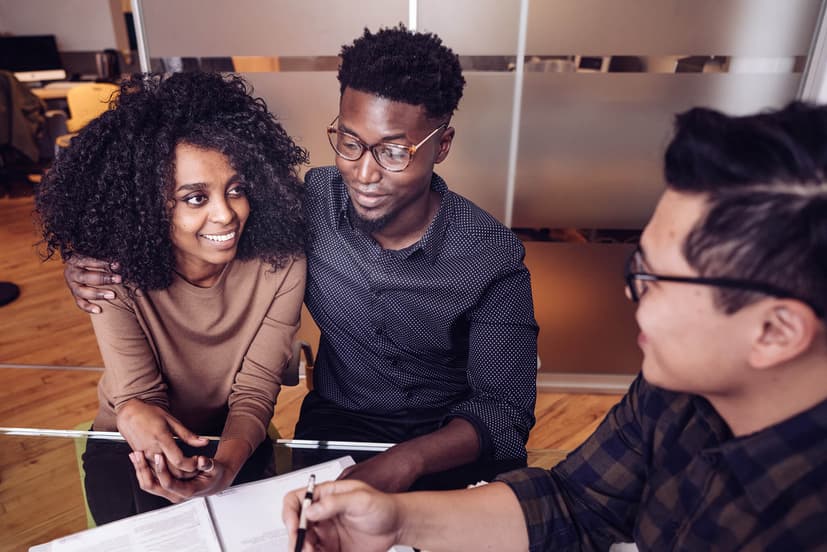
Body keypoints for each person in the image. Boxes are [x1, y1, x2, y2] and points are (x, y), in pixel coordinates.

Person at [283, 101, 827, 551]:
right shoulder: (673, 392)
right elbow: (576, 504)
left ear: (775, 332)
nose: (628, 292)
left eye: (657, 280)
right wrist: (396, 521)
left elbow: (504, 412)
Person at [63, 26, 540, 493]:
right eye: (350, 143)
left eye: (394, 151)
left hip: (446, 437)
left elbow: (503, 413)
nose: (364, 173)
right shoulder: (309, 202)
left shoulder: (489, 256)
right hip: (337, 423)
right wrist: (84, 259)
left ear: (442, 144)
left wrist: (407, 462)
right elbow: (179, 213)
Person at [36, 71, 307, 523]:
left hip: (231, 434)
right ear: (145, 203)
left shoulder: (280, 262)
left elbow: (256, 389)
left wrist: (226, 465)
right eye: (194, 198)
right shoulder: (110, 272)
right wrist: (134, 415)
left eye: (236, 189)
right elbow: (140, 396)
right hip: (130, 434)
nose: (226, 214)